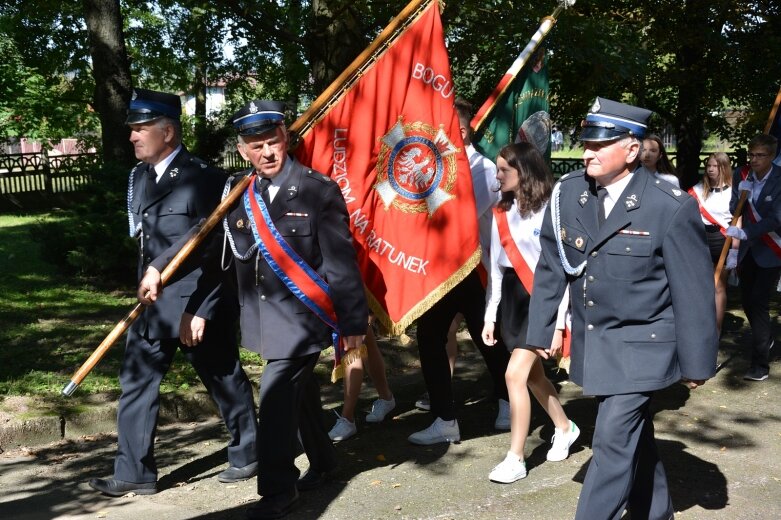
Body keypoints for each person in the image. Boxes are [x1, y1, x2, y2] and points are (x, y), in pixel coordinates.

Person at [527, 97, 718, 519]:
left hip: (644, 344)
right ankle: (657, 512)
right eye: (585, 144)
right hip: (598, 342)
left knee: (612, 443)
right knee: (635, 439)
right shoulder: (570, 193)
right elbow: (550, 263)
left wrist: (697, 361)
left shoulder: (668, 204)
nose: (588, 152)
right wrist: (541, 329)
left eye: (600, 144)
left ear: (631, 150)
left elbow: (693, 291)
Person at [89, 89, 258, 497]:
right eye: (132, 128)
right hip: (153, 304)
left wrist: (201, 309)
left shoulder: (205, 177)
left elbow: (220, 250)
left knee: (221, 376)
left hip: (196, 303)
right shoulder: (142, 176)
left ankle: (250, 452)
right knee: (136, 382)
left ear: (167, 131)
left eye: (140, 128)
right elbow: (152, 242)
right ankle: (134, 472)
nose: (132, 136)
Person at [223, 100, 368, 519]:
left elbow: (340, 262)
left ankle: (277, 489)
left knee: (275, 397)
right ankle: (324, 462)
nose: (266, 153)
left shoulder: (316, 189)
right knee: (299, 395)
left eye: (272, 142)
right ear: (242, 149)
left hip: (305, 319)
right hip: (264, 317)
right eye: (256, 145)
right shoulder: (237, 191)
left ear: (286, 139)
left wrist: (354, 322)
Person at [481, 142, 579, 484]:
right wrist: (490, 315)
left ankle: (516, 458)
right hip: (511, 297)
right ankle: (565, 427)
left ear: (524, 170)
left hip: (542, 299)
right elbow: (494, 267)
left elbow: (563, 269)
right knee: (534, 377)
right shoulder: (500, 211)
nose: (498, 175)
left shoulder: (551, 209)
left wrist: (558, 323)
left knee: (514, 376)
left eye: (504, 169)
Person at [726, 134, 781, 382]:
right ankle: (766, 338)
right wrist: (740, 195)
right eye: (752, 154)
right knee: (748, 301)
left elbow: (776, 219)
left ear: (772, 156)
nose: (754, 160)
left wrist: (746, 232)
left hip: (772, 249)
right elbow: (734, 208)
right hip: (749, 251)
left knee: (759, 301)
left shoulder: (780, 179)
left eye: (760, 155)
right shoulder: (742, 174)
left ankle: (759, 364)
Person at [328, 321, 396, 442]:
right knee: (365, 336)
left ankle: (347, 418)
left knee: (351, 346)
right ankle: (386, 397)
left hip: (349, 305)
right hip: (349, 305)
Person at [689, 152, 733, 334]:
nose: (710, 169)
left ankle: (716, 329)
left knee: (718, 286)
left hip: (722, 241)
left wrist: (736, 250)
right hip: (700, 240)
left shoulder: (734, 191)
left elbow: (737, 221)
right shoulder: (698, 190)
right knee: (700, 285)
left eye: (715, 166)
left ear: (724, 168)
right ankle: (700, 325)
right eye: (709, 166)